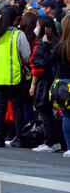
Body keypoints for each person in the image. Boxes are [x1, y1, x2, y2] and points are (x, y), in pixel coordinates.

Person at [0, 6, 31, 148]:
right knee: (17, 107)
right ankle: (19, 137)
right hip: (14, 77)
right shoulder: (18, 35)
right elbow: (26, 56)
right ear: (16, 19)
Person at [29, 16, 62, 153]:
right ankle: (54, 141)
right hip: (55, 80)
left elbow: (38, 65)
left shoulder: (43, 44)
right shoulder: (58, 42)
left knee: (45, 111)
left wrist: (33, 85)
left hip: (45, 82)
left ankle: (49, 142)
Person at [47, 15, 70, 158]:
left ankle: (69, 146)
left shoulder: (60, 47)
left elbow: (48, 63)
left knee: (67, 116)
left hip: (63, 85)